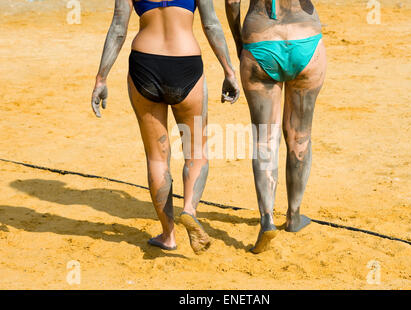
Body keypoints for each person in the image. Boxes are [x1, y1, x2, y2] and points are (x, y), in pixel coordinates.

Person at [91, 0, 239, 254]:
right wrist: (229, 71)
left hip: (144, 64)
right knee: (196, 152)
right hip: (186, 63)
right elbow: (211, 24)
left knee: (157, 158)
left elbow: (118, 28)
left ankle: (168, 235)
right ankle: (189, 210)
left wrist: (101, 78)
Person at [225, 0, 326, 253]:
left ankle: (266, 218)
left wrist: (239, 41)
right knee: (300, 136)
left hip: (260, 40)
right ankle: (294, 215)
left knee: (264, 139)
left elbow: (231, 2)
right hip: (306, 41)